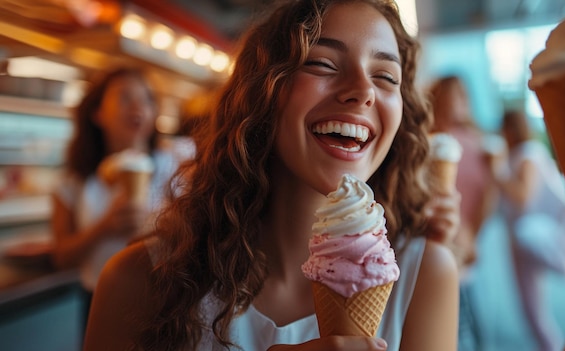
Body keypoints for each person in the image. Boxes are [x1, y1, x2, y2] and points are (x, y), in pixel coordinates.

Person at [84, 1, 461, 350]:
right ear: (263, 92)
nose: (363, 91)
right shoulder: (138, 282)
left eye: (385, 76)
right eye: (322, 64)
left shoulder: (424, 276)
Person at [50, 67, 179, 334]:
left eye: (146, 99)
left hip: (164, 301)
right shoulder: (74, 181)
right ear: (98, 113)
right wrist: (105, 228)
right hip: (100, 302)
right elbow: (62, 256)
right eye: (125, 98)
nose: (138, 107)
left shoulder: (176, 166)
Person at [490, 110, 565, 351]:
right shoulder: (519, 155)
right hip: (522, 238)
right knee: (531, 311)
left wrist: (496, 173)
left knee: (534, 310)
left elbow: (523, 196)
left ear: (510, 130)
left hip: (532, 237)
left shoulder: (527, 155)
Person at [427, 75, 499, 351]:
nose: (461, 101)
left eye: (463, 95)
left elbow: (488, 197)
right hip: (445, 236)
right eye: (454, 95)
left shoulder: (481, 143)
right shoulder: (431, 141)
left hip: (470, 236)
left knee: (475, 313)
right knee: (455, 316)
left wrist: (474, 236)